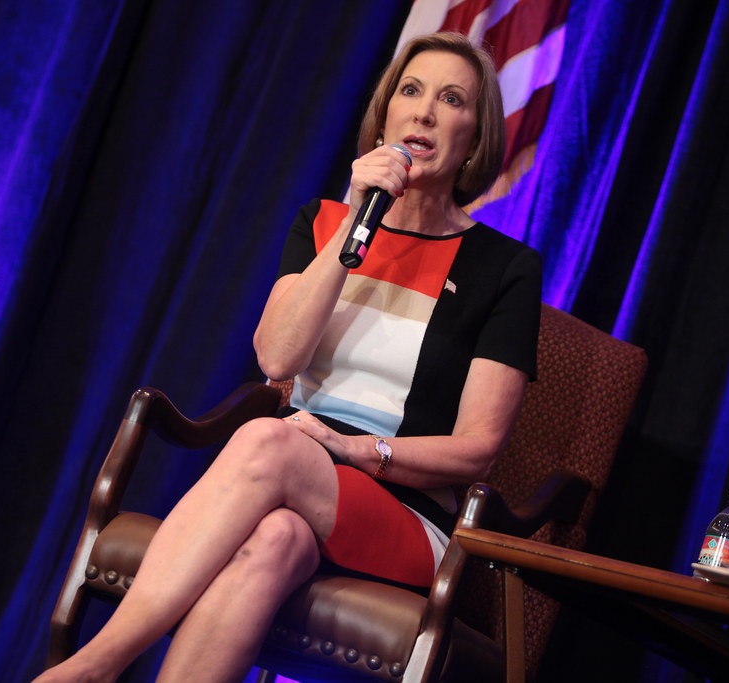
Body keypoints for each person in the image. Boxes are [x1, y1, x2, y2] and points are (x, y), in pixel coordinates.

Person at [35, 31, 541, 683]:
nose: (423, 112)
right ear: (385, 113)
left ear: (476, 136)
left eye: (452, 100)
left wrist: (359, 450)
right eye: (410, 92)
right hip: (293, 475)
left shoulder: (505, 269)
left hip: (410, 512)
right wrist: (360, 218)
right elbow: (277, 355)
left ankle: (98, 663)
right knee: (273, 540)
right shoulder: (326, 220)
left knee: (267, 443)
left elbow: (479, 448)